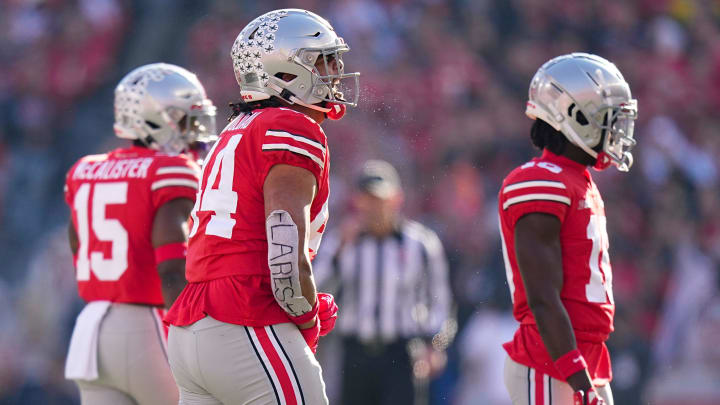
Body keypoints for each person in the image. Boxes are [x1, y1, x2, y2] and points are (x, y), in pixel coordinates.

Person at [164, 9, 359, 405]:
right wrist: (308, 317)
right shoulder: (291, 127)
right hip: (246, 316)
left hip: (192, 328)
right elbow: (284, 248)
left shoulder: (234, 130)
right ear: (284, 72)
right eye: (321, 60)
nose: (335, 71)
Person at [63, 63, 217, 405]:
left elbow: (77, 243)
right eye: (186, 119)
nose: (197, 129)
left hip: (91, 330)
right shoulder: (172, 170)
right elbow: (172, 269)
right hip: (148, 324)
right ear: (158, 120)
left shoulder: (85, 169)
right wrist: (193, 340)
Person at [497, 53, 638, 405]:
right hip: (552, 362)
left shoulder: (577, 180)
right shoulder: (539, 181)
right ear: (576, 115)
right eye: (609, 118)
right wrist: (578, 379)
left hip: (577, 359)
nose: (617, 130)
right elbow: (543, 299)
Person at [313, 160, 453, 405]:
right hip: (354, 352)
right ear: (357, 201)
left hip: (401, 352)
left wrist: (435, 344)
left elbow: (440, 301)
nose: (375, 207)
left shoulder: (421, 244)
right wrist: (339, 253)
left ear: (396, 199)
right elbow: (316, 291)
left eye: (380, 199)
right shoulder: (340, 241)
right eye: (368, 199)